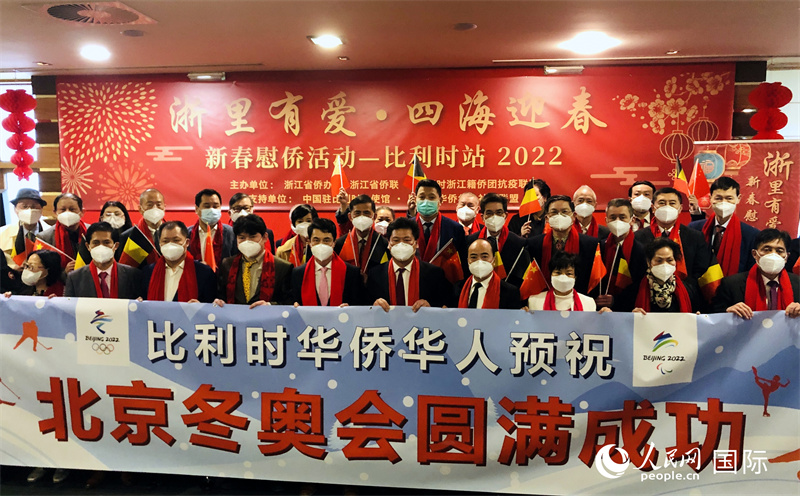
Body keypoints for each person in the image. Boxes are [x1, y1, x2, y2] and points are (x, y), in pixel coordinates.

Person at [634, 187, 712, 305]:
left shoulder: (695, 236)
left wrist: (681, 288)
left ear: (680, 208)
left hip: (687, 297)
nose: (667, 207)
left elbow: (701, 270)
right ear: (653, 208)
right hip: (647, 298)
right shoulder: (638, 237)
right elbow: (635, 269)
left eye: (672, 203)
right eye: (662, 203)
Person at [368, 217, 453, 311]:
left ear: (416, 243)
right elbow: (365, 306)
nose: (401, 244)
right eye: (396, 240)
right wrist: (373, 305)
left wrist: (430, 306)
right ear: (389, 244)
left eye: (407, 240)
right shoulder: (375, 274)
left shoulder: (434, 274)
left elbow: (446, 304)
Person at [712, 229, 800, 318]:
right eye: (767, 250)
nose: (773, 255)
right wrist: (727, 312)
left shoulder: (798, 284)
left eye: (779, 251)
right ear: (754, 254)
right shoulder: (731, 284)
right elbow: (713, 315)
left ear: (787, 256)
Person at [526, 195, 599, 294]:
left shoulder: (591, 245)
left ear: (573, 216)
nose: (559, 216)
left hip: (578, 299)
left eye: (564, 212)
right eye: (554, 212)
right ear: (547, 218)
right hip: (543, 298)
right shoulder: (534, 244)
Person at [215, 215, 292, 307]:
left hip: (267, 316)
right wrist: (219, 302)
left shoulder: (283, 267)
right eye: (242, 238)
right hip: (234, 315)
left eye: (252, 237)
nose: (247, 241)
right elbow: (221, 295)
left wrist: (269, 306)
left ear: (265, 237)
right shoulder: (227, 264)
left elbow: (288, 302)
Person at [688, 176, 759, 276]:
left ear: (738, 199)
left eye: (729, 198)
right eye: (718, 198)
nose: (723, 202)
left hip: (733, 285)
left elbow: (750, 272)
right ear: (710, 198)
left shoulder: (751, 235)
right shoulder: (694, 229)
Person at [291, 218, 364, 306]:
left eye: (326, 240)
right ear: (309, 242)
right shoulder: (298, 273)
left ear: (334, 242)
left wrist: (350, 309)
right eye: (316, 240)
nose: (321, 244)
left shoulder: (352, 273)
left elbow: (359, 305)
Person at [594, 198, 647, 312]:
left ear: (632, 220)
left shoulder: (641, 251)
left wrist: (615, 300)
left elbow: (639, 286)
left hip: (628, 310)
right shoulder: (599, 247)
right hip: (599, 310)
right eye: (613, 217)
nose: (617, 221)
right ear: (606, 220)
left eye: (622, 217)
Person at [142, 221, 216, 303]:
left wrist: (201, 307)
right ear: (160, 244)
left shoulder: (204, 272)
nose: (170, 245)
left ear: (187, 243)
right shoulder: (148, 272)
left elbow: (211, 305)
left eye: (176, 240)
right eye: (165, 241)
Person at [64, 222, 141, 299]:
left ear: (116, 246)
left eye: (106, 242)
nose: (101, 246)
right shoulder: (74, 278)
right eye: (96, 243)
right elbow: (68, 304)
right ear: (88, 246)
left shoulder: (133, 275)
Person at [466, 192, 528, 287]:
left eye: (499, 213)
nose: (494, 217)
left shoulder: (519, 243)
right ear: (482, 217)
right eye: (489, 213)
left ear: (505, 215)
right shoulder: (471, 241)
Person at [406, 179, 467, 269]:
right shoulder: (406, 226)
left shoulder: (455, 228)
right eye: (422, 197)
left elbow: (462, 264)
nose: (426, 201)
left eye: (431, 197)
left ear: (440, 200)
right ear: (415, 200)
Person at [632, 238, 695, 314]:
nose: (665, 264)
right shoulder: (635, 290)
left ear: (675, 261)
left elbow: (696, 314)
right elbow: (624, 317)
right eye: (659, 260)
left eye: (669, 260)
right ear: (649, 262)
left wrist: (697, 317)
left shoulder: (688, 290)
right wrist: (632, 316)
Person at [455, 239, 522, 309]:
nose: (479, 261)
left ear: (494, 261)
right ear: (468, 261)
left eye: (484, 256)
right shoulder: (458, 288)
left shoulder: (509, 292)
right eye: (473, 257)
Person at [334, 194, 389, 277]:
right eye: (357, 213)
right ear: (350, 217)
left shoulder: (384, 244)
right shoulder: (340, 244)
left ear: (374, 217)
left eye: (366, 213)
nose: (362, 216)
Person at [1, 188, 47, 283]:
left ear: (41, 210)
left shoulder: (51, 233)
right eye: (24, 206)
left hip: (44, 283)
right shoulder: (2, 233)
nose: (29, 210)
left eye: (34, 206)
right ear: (15, 210)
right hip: (12, 284)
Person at [527, 252, 597, 311]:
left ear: (575, 277)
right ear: (551, 275)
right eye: (558, 272)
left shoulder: (589, 303)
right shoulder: (534, 301)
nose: (563, 277)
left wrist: (603, 315)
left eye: (569, 273)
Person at [187, 189, 236, 272]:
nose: (212, 210)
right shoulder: (186, 234)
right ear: (196, 209)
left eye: (215, 206)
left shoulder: (231, 233)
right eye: (207, 206)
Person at [38, 193, 88, 272]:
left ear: (82, 212)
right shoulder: (45, 238)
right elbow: (44, 270)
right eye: (63, 210)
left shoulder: (92, 232)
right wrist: (64, 273)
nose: (67, 213)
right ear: (55, 212)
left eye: (72, 209)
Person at [118, 188, 166, 264]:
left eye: (159, 204)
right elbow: (125, 267)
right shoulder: (129, 235)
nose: (155, 208)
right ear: (140, 209)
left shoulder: (174, 233)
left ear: (164, 207)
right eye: (149, 205)